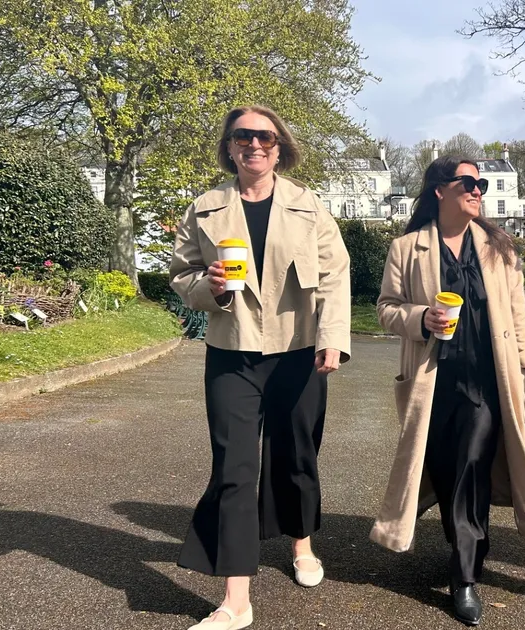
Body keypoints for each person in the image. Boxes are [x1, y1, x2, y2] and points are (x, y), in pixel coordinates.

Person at [169, 105, 351, 630]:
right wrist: (212, 288)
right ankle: (236, 599)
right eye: (244, 136)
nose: (255, 145)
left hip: (299, 351)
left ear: (280, 146)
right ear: (229, 146)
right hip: (233, 352)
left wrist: (333, 338)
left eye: (266, 138)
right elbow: (181, 275)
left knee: (296, 455)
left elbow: (336, 275)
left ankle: (301, 545)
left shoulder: (308, 205)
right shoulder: (204, 208)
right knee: (233, 467)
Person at [369, 156, 525, 626]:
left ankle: (466, 574)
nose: (478, 190)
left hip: (487, 383)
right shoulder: (407, 248)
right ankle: (462, 543)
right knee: (447, 470)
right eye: (469, 182)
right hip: (432, 383)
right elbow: (386, 308)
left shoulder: (499, 247)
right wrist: (420, 318)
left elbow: (518, 315)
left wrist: (524, 365)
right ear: (440, 190)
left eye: (482, 183)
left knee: (473, 465)